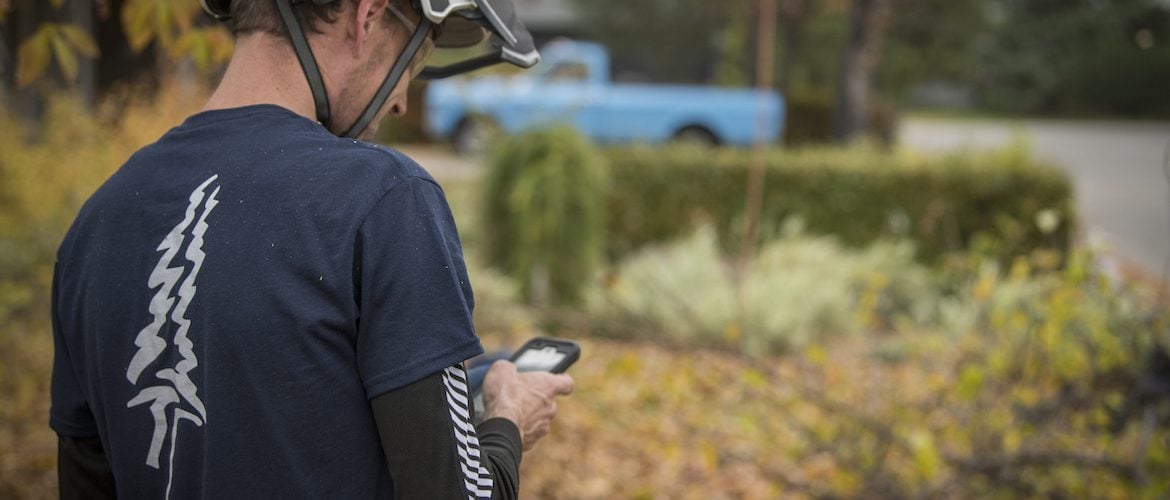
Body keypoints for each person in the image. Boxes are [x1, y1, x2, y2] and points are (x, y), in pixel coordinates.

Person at [49, 0, 572, 498]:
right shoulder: (384, 197)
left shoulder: (98, 219)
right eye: (411, 58)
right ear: (366, 16)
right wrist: (508, 418)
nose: (400, 100)